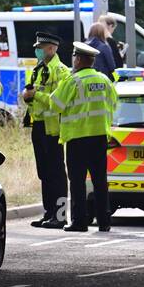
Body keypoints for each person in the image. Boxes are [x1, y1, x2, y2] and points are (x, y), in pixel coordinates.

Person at [51, 42, 116, 232]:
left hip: (77, 138)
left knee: (77, 181)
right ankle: (104, 221)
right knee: (100, 180)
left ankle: (80, 222)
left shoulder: (73, 81)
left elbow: (55, 105)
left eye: (74, 58)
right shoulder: (104, 80)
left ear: (78, 59)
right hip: (99, 138)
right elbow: (114, 102)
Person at [21, 32, 70, 229]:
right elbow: (34, 95)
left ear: (51, 48)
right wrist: (27, 97)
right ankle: (48, 213)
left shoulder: (61, 71)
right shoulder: (39, 69)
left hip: (54, 129)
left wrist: (36, 95)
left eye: (40, 48)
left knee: (57, 172)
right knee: (44, 172)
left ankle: (60, 216)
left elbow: (58, 101)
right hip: (38, 125)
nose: (37, 51)